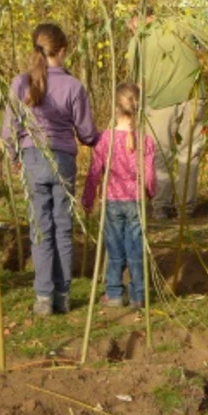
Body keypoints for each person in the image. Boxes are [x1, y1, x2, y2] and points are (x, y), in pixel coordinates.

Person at [1, 24, 98, 317]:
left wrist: (13, 155)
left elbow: (9, 130)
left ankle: (43, 296)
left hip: (32, 159)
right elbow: (87, 133)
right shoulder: (73, 86)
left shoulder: (20, 83)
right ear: (63, 51)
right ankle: (63, 294)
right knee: (63, 228)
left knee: (40, 229)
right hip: (63, 162)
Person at [82, 83, 156, 310]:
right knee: (135, 249)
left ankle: (114, 293)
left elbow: (95, 171)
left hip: (113, 202)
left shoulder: (106, 139)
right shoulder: (145, 140)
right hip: (135, 202)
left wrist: (88, 197)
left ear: (115, 108)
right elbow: (150, 173)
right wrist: (150, 193)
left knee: (114, 249)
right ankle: (138, 294)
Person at [127, 11, 204, 220]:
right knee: (189, 153)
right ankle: (185, 208)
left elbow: (138, 84)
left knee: (160, 154)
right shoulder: (181, 24)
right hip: (194, 96)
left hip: (160, 103)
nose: (131, 30)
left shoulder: (139, 40)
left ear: (137, 19)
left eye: (131, 26)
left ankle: (161, 207)